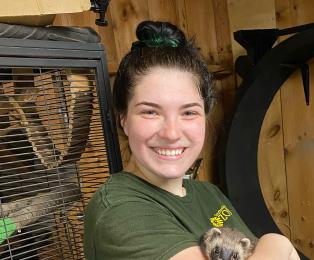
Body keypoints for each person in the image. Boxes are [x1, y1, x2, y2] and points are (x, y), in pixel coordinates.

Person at [83, 20, 300, 260]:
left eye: (188, 112)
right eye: (151, 111)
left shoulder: (209, 194)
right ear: (123, 118)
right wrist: (277, 242)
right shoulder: (120, 212)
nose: (172, 133)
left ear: (204, 117)